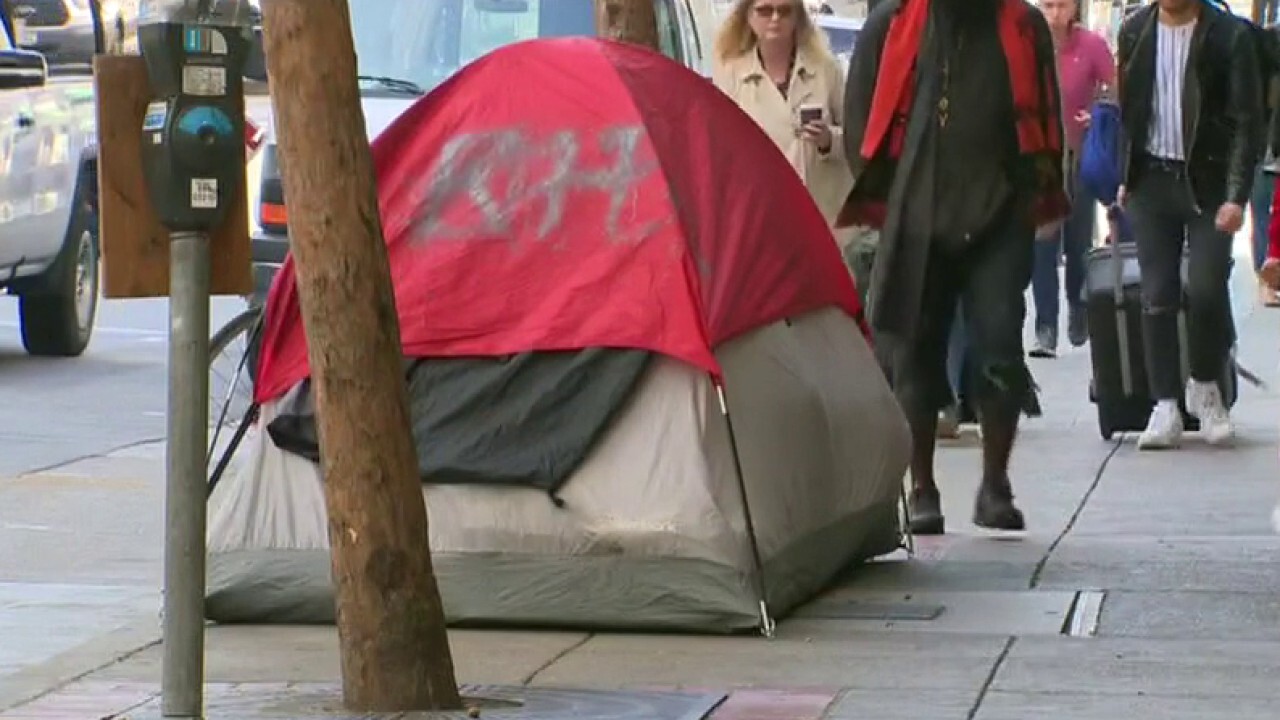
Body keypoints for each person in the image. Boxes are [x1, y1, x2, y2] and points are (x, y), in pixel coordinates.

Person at [838, 0, 1067, 535]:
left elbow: (1047, 119)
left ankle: (994, 485)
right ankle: (923, 488)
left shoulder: (1021, 24)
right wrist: (895, 204)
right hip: (918, 215)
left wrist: (1039, 198)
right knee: (914, 352)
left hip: (999, 216)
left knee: (1000, 349)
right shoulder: (891, 27)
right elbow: (860, 126)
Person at [1116, 0, 1263, 450]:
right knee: (1156, 292)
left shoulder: (1229, 35)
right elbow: (1129, 110)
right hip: (1152, 181)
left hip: (1209, 181)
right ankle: (1164, 404)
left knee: (1206, 285)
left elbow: (1247, 120)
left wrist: (1237, 195)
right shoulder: (1135, 30)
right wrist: (1126, 177)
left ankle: (1205, 385)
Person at [713, 0, 852, 230]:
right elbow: (719, 151)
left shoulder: (827, 69)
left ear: (798, 17)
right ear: (747, 16)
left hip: (825, 217)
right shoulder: (730, 75)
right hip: (763, 217)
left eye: (785, 11)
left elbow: (856, 139)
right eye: (765, 11)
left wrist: (828, 141)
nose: (775, 18)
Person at [1028, 0, 1115, 358]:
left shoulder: (1091, 45)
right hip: (1040, 159)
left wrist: (1098, 113)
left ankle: (1079, 307)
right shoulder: (1029, 44)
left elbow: (1114, 90)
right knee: (1042, 244)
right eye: (1047, 4)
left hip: (1079, 156)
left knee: (1077, 243)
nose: (1054, 11)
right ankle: (1045, 327)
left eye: (1061, 4)